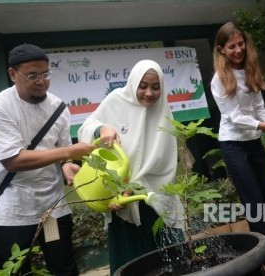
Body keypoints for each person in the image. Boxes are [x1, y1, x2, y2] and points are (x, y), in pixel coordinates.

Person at [0, 43, 96, 275]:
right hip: (10, 211)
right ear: (13, 74)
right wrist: (69, 153)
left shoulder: (59, 108)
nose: (41, 81)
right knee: (15, 272)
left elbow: (62, 152)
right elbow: (13, 160)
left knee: (64, 269)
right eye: (32, 75)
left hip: (52, 209)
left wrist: (68, 166)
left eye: (45, 74)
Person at [77, 60, 184, 275]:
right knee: (132, 265)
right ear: (133, 82)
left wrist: (138, 187)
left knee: (170, 262)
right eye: (143, 85)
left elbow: (166, 164)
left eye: (156, 87)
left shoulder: (164, 112)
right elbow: (86, 128)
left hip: (155, 201)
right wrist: (102, 128)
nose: (149, 93)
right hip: (122, 201)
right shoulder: (116, 100)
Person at [210, 22, 265, 276]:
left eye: (240, 44)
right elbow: (234, 117)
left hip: (253, 141)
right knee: (254, 202)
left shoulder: (249, 70)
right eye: (231, 46)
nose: (238, 50)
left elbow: (259, 107)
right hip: (233, 144)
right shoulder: (219, 79)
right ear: (221, 49)